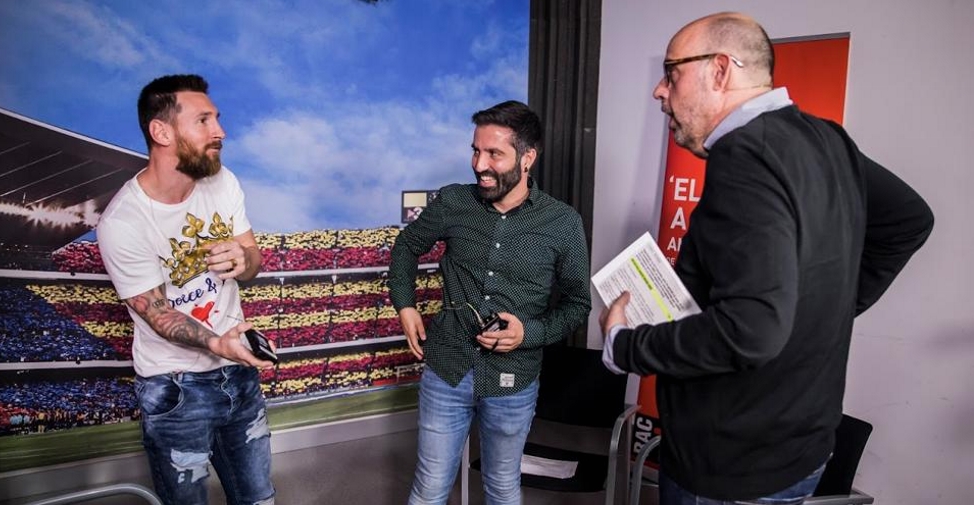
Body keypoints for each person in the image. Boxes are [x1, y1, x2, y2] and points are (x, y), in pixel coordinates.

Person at [600, 12, 934, 505]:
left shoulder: (745, 157)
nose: (659, 91)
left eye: (671, 73)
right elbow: (910, 219)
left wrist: (624, 345)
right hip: (798, 449)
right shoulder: (827, 138)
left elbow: (749, 331)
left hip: (730, 464)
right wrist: (826, 311)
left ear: (719, 70)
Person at [388, 100, 591, 505]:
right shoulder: (453, 202)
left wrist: (527, 333)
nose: (480, 164)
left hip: (513, 380)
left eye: (494, 153)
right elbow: (407, 246)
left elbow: (577, 304)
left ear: (528, 158)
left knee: (501, 485)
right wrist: (405, 304)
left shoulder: (563, 223)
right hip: (446, 370)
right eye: (476, 151)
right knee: (429, 486)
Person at [97, 74, 276, 505]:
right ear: (162, 132)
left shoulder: (223, 181)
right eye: (203, 120)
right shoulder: (123, 222)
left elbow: (253, 261)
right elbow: (158, 314)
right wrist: (217, 342)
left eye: (217, 118)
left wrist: (244, 259)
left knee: (258, 498)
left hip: (238, 373)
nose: (220, 131)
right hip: (174, 388)